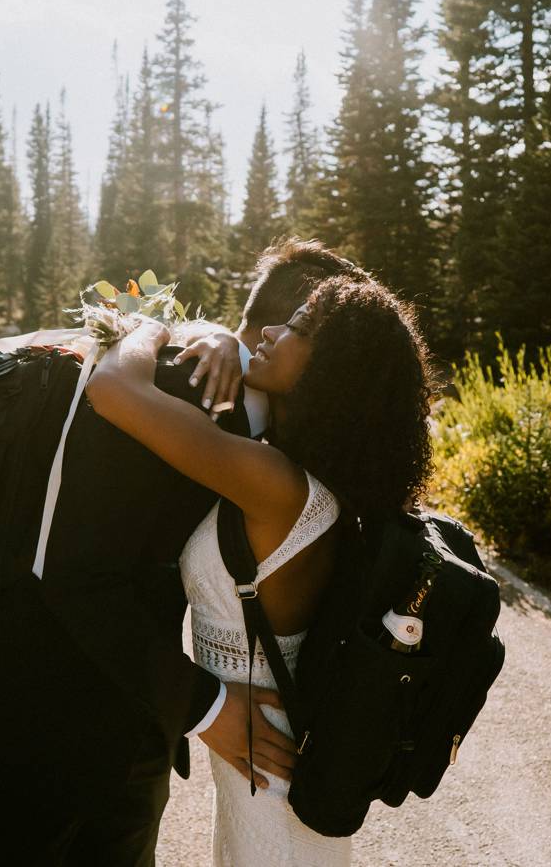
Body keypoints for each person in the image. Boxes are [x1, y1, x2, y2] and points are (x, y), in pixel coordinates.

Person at [0, 240, 366, 866]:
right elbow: (70, 570)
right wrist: (205, 706)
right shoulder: (177, 383)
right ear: (283, 326)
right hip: (27, 727)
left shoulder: (252, 406)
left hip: (127, 735)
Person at [86, 274, 434, 866]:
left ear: (334, 372)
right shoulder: (314, 478)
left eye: (295, 328)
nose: (268, 330)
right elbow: (243, 356)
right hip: (263, 770)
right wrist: (223, 338)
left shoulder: (277, 485)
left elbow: (113, 388)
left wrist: (147, 324)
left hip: (270, 788)